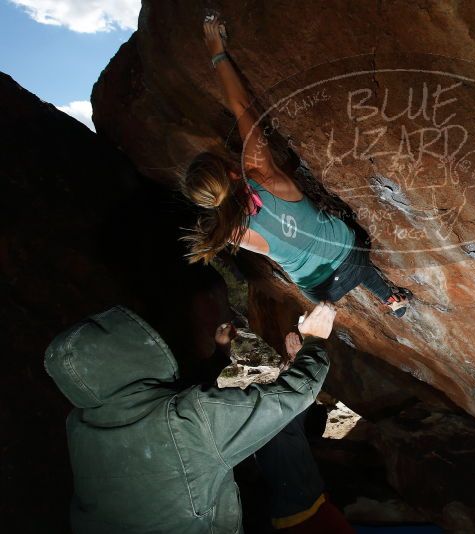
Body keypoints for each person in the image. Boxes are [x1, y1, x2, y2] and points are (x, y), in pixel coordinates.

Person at [44, 302, 345, 533]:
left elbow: (166, 400)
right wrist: (314, 342)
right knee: (281, 440)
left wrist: (220, 353)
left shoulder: (80, 427)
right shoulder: (188, 423)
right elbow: (292, 395)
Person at [179, 15, 409, 316]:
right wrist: (217, 52)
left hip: (320, 291)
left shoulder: (226, 231)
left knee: (341, 265)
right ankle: (393, 300)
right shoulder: (261, 174)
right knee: (350, 253)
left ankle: (391, 301)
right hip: (350, 256)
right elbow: (241, 107)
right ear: (231, 171)